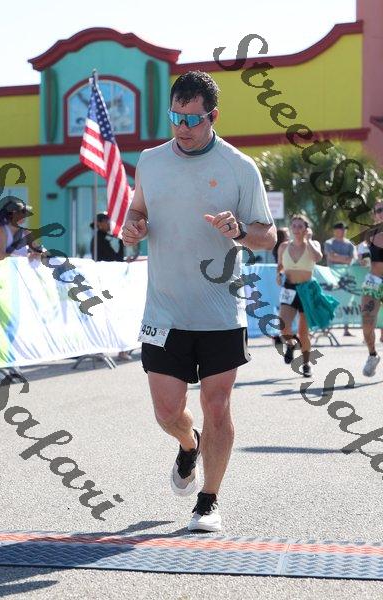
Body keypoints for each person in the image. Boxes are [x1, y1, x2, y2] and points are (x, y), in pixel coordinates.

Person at [122, 71, 276, 532]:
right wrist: (133, 226)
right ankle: (189, 444)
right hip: (164, 311)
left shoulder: (239, 167)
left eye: (192, 119)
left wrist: (240, 231)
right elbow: (138, 209)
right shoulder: (150, 161)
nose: (182, 127)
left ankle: (208, 501)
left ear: (213, 116)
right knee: (167, 412)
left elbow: (267, 236)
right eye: (175, 117)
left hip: (220, 311)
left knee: (217, 405)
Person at [276, 214, 324, 377]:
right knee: (283, 326)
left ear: (306, 229)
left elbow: (318, 257)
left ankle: (306, 364)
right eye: (294, 226)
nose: (296, 229)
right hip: (289, 289)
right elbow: (280, 265)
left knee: (304, 332)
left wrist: (308, 240)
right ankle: (290, 344)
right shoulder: (283, 246)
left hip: (307, 290)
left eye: (300, 226)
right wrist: (278, 274)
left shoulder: (313, 244)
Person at [90, 212, 136, 361]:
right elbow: (113, 259)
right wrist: (121, 246)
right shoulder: (99, 239)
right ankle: (104, 348)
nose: (109, 223)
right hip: (105, 283)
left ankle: (118, 348)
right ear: (99, 223)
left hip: (108, 283)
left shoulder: (104, 238)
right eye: (106, 221)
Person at [361, 199, 383, 376]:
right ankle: (372, 355)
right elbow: (362, 256)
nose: (382, 213)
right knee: (367, 322)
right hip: (373, 281)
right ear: (374, 214)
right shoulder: (369, 234)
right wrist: (363, 258)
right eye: (379, 210)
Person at [324, 222, 356, 336]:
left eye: (344, 229)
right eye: (340, 229)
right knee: (330, 301)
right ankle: (327, 328)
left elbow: (352, 259)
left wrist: (338, 257)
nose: (343, 231)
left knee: (347, 303)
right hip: (332, 278)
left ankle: (346, 329)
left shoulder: (350, 244)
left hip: (346, 278)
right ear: (335, 230)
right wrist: (345, 258)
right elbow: (331, 257)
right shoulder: (329, 243)